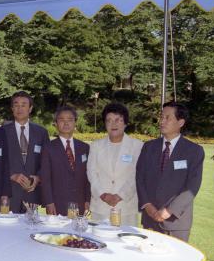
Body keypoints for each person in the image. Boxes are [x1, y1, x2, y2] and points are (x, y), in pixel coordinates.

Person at [136, 101, 204, 241]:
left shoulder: (194, 151)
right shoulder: (148, 147)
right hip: (150, 219)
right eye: (161, 117)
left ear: (181, 122)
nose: (162, 121)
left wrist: (169, 211)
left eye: (167, 117)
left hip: (176, 224)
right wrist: (147, 205)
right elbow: (140, 178)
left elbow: (192, 187)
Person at [87, 103, 143, 226]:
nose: (113, 124)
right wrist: (102, 194)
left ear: (125, 123)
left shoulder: (137, 146)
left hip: (126, 206)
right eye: (109, 120)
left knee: (126, 243)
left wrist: (120, 195)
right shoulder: (96, 146)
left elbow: (137, 175)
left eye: (118, 120)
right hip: (100, 207)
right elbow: (91, 173)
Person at [3, 91, 49, 212]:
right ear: (12, 108)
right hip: (8, 193)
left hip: (32, 193)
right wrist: (12, 175)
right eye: (16, 105)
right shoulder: (1, 132)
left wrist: (38, 178)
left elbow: (46, 162)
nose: (20, 108)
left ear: (30, 109)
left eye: (24, 105)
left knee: (30, 228)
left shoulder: (41, 133)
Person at [40, 105, 91, 216]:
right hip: (57, 204)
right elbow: (45, 178)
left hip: (80, 203)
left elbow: (88, 176)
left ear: (75, 123)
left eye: (70, 120)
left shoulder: (85, 147)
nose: (66, 123)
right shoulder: (48, 148)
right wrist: (49, 202)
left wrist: (88, 199)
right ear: (56, 123)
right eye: (62, 120)